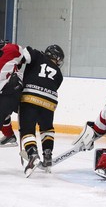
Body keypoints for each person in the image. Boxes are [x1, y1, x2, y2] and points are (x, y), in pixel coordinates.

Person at [20, 44, 64, 177]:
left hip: (30, 97)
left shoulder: (37, 55)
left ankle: (33, 153)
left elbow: (24, 54)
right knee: (47, 128)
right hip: (50, 101)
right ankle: (48, 153)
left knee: (27, 130)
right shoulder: (59, 74)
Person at [0, 39, 24, 147]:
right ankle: (9, 135)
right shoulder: (11, 48)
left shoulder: (10, 49)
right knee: (4, 111)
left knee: (3, 109)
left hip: (13, 90)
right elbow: (23, 56)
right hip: (7, 91)